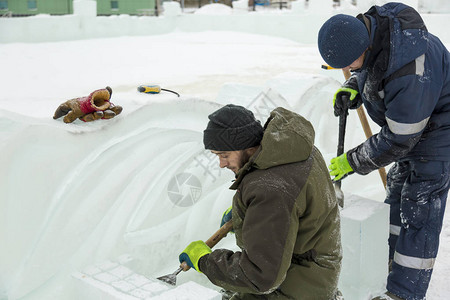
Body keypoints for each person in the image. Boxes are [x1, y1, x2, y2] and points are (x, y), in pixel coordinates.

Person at [318, 3, 450, 300]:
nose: (344, 70)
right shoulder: (375, 36)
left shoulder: (411, 69)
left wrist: (353, 161)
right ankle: (385, 264)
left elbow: (399, 139)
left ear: (361, 46)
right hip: (410, 131)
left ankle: (404, 292)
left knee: (419, 211)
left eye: (347, 64)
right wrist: (354, 85)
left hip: (437, 136)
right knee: (395, 200)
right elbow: (372, 66)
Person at [179, 104, 342, 299]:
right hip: (318, 267)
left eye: (225, 155)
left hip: (302, 283)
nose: (221, 164)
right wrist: (248, 214)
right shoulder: (293, 149)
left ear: (247, 147)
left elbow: (260, 276)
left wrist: (204, 260)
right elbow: (293, 204)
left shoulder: (270, 189)